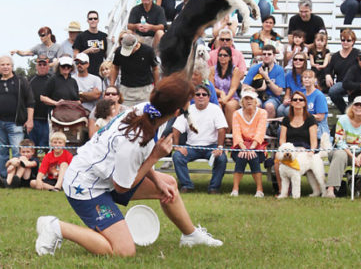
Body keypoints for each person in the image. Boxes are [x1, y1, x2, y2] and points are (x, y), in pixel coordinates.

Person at [35, 74, 222, 257]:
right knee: (124, 251)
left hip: (103, 175)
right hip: (85, 187)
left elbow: (138, 159)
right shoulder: (136, 139)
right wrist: (155, 156)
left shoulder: (145, 110)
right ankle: (55, 227)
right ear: (176, 112)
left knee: (169, 184)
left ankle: (191, 236)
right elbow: (122, 186)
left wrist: (157, 181)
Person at [172, 85, 228, 194]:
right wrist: (176, 146)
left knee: (222, 158)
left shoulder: (215, 109)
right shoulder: (188, 110)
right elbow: (176, 128)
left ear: (208, 97)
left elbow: (222, 129)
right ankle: (186, 185)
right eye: (198, 94)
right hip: (191, 147)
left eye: (204, 94)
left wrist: (220, 147)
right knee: (177, 156)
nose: (201, 96)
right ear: (194, 97)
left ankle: (214, 188)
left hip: (211, 146)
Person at [275, 91, 323, 194]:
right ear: (291, 103)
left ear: (305, 103)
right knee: (276, 161)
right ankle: (282, 191)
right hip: (289, 149)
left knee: (313, 169)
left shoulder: (310, 119)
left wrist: (311, 151)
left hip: (305, 150)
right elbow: (282, 140)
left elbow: (314, 141)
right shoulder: (286, 120)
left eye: (300, 100)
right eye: (295, 100)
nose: (298, 101)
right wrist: (284, 150)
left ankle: (320, 191)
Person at [0, 55, 34, 178]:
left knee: (17, 152)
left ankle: (16, 178)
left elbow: (30, 101)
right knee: (1, 153)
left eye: (7, 64)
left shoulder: (21, 81)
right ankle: (3, 178)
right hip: (0, 123)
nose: (5, 67)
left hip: (16, 123)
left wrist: (30, 120)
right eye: (2, 64)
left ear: (12, 66)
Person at [230, 88, 268, 197]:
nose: (249, 101)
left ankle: (259, 190)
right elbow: (236, 134)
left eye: (251, 98)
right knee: (242, 156)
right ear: (242, 101)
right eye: (246, 98)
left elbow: (260, 133)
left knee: (253, 156)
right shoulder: (236, 114)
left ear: (256, 101)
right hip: (240, 146)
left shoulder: (262, 113)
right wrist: (244, 148)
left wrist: (251, 148)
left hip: (257, 146)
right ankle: (235, 189)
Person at [111, 34, 159, 107]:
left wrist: (156, 86)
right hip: (126, 90)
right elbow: (115, 68)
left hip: (145, 90)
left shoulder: (148, 51)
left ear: (136, 45)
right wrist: (111, 85)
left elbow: (155, 69)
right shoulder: (119, 51)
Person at [243, 45, 285, 119]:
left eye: (269, 54)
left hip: (272, 97)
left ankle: (267, 128)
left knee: (269, 106)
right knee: (256, 104)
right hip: (256, 95)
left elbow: (278, 92)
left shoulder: (279, 70)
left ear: (274, 56)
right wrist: (258, 89)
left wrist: (266, 77)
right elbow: (244, 86)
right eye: (264, 54)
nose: (266, 56)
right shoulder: (255, 68)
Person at [325, 29, 360, 113]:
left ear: (353, 41)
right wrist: (327, 75)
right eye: (343, 40)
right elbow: (328, 68)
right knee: (333, 91)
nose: (345, 42)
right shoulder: (335, 56)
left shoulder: (358, 54)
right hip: (341, 83)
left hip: (355, 82)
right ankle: (346, 112)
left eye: (348, 40)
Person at [209, 46, 242, 131]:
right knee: (217, 106)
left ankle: (229, 133)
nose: (222, 57)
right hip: (216, 97)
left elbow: (233, 88)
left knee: (229, 106)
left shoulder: (235, 70)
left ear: (230, 57)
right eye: (220, 55)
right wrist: (221, 93)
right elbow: (211, 87)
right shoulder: (212, 70)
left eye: (225, 55)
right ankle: (218, 133)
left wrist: (225, 99)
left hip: (232, 97)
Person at [28, 55, 52, 152]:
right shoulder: (30, 80)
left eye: (44, 64)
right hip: (33, 120)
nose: (42, 66)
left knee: (47, 150)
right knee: (31, 150)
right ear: (36, 66)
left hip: (48, 120)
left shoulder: (52, 79)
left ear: (48, 66)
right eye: (40, 64)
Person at [73, 11, 108, 76]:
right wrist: (87, 51)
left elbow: (106, 54)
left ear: (98, 20)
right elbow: (75, 56)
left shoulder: (103, 36)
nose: (93, 20)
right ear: (87, 21)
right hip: (85, 73)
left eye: (95, 18)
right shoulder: (81, 36)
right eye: (90, 19)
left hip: (100, 73)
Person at [300, 70, 330, 139]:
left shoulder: (319, 95)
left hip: (319, 127)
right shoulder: (302, 95)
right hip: (305, 125)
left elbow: (320, 117)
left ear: (315, 80)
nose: (307, 79)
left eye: (309, 77)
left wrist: (303, 116)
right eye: (305, 77)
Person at [277, 51, 308, 117]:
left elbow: (311, 92)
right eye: (295, 59)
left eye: (301, 59)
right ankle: (281, 126)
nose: (297, 61)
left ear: (304, 62)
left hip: (304, 100)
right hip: (292, 100)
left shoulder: (308, 75)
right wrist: (286, 100)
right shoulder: (289, 75)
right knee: (280, 109)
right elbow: (287, 93)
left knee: (287, 110)